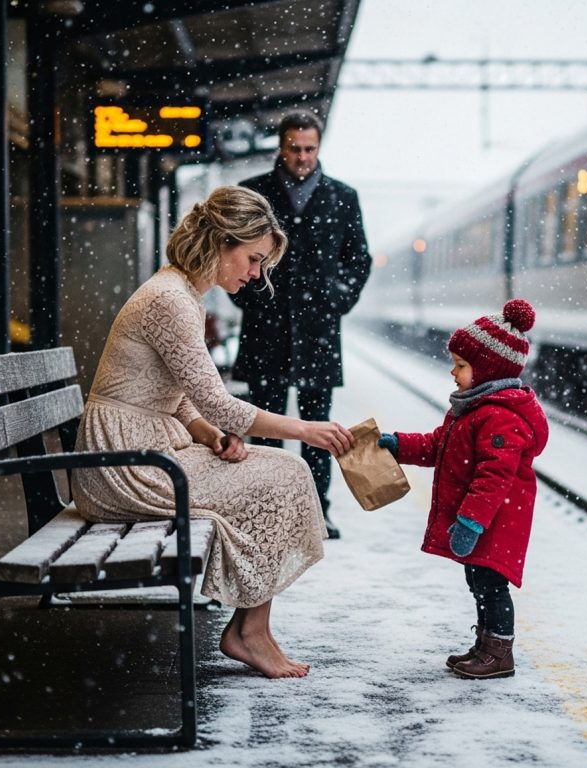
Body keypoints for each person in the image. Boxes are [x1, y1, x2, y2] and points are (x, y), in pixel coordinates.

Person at [72, 186, 355, 680]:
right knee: (284, 472)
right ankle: (249, 632)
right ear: (222, 243)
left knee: (278, 471)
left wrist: (207, 435)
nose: (255, 273)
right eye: (252, 259)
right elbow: (218, 402)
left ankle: (252, 629)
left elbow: (183, 399)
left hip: (143, 449)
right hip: (122, 464)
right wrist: (305, 429)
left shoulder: (180, 292)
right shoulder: (171, 300)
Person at [378, 300, 549, 679]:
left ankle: (499, 652)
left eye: (461, 365)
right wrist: (399, 444)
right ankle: (486, 644)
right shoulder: (472, 409)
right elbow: (438, 446)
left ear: (487, 370)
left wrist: (471, 523)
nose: (452, 372)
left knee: (491, 584)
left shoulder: (500, 417)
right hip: (483, 520)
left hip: (495, 521)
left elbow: (493, 479)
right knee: (479, 582)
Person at [229, 110, 372, 539]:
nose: (303, 157)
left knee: (320, 429)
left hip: (318, 331)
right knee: (265, 425)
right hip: (266, 326)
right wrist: (247, 297)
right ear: (281, 145)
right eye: (295, 148)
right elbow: (229, 249)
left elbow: (358, 259)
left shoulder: (342, 198)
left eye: (310, 148)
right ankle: (268, 507)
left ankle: (316, 511)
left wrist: (337, 301)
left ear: (319, 146)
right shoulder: (254, 193)